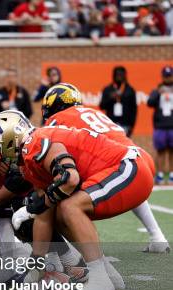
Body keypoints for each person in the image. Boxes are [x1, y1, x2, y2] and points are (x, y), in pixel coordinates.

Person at [0, 111, 154, 290]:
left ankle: (101, 283)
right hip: (121, 169)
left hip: (128, 167)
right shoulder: (29, 159)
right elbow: (45, 213)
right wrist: (37, 261)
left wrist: (35, 207)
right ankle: (107, 274)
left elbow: (69, 179)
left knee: (69, 206)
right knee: (57, 209)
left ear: (9, 142)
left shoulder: (34, 143)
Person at [43, 82, 169, 253]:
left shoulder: (58, 120)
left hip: (119, 162)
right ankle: (157, 236)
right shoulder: (93, 112)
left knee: (65, 207)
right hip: (140, 158)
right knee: (128, 179)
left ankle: (82, 257)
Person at [147, 65, 173, 185]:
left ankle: (172, 174)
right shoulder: (157, 89)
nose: (167, 78)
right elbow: (150, 103)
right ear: (162, 76)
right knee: (160, 151)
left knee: (172, 151)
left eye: (169, 76)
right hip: (160, 125)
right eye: (165, 76)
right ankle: (160, 174)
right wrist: (158, 93)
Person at [99, 66, 137, 137]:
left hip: (125, 124)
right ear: (114, 76)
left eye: (121, 75)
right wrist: (110, 98)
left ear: (124, 76)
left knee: (124, 146)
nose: (119, 77)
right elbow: (102, 106)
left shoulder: (130, 90)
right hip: (111, 124)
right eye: (117, 75)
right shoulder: (108, 89)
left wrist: (131, 126)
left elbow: (134, 110)